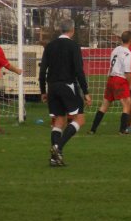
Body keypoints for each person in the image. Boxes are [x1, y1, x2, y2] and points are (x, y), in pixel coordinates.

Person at [39, 19, 92, 167]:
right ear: (72, 30)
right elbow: (79, 71)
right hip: (67, 85)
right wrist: (86, 92)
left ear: (60, 30)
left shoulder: (49, 46)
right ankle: (58, 147)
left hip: (52, 87)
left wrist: (43, 90)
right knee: (80, 119)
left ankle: (55, 159)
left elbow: (43, 70)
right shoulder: (74, 46)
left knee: (59, 121)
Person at [89, 31, 131, 135]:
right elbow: (127, 71)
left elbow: (111, 65)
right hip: (120, 79)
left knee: (104, 105)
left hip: (111, 78)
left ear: (122, 39)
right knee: (127, 105)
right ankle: (123, 130)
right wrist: (130, 84)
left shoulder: (115, 49)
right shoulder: (128, 53)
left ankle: (93, 129)